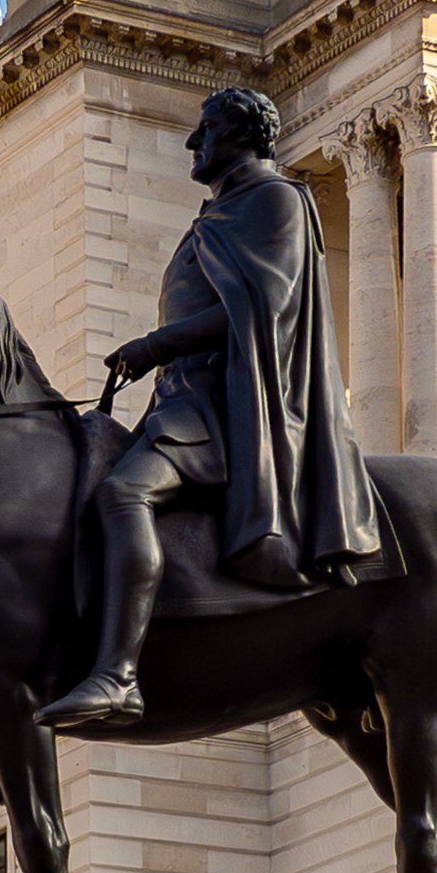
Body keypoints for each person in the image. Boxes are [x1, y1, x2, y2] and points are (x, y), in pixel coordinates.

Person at [37, 84, 378, 731]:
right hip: (182, 401)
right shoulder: (223, 211)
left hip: (227, 408)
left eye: (207, 127)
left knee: (123, 497)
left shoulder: (276, 200)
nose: (195, 141)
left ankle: (118, 676)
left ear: (243, 134)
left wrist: (154, 343)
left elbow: (259, 311)